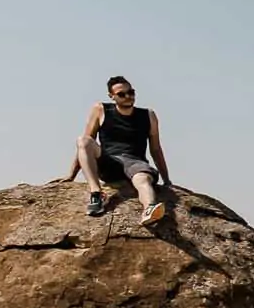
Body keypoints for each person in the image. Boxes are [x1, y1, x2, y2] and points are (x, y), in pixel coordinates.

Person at [60, 76, 172, 226]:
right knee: (83, 140)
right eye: (122, 94)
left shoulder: (148, 115)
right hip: (110, 162)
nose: (128, 97)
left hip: (135, 162)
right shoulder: (101, 110)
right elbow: (85, 146)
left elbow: (156, 149)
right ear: (111, 96)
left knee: (143, 179)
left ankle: (149, 209)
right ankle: (97, 194)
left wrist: (166, 180)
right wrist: (71, 175)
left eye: (131, 92)